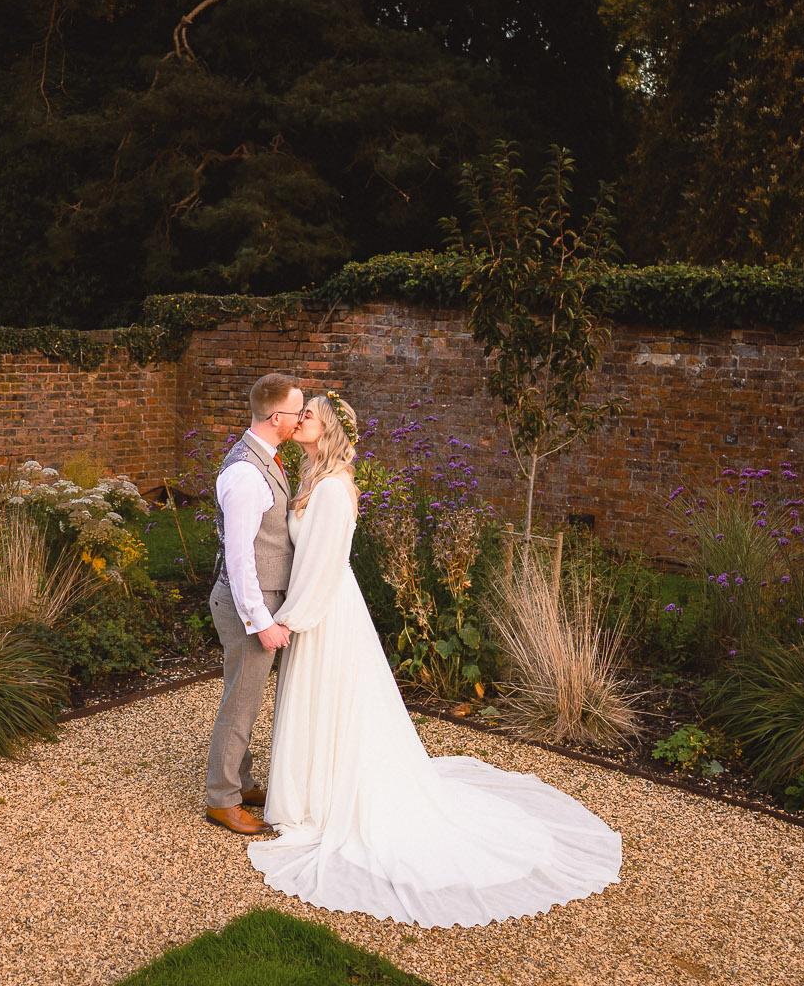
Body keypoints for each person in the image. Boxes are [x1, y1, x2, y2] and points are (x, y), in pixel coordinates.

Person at [246, 392, 622, 927]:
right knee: (322, 704)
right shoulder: (314, 479)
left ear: (328, 429)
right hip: (317, 609)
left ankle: (328, 797)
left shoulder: (331, 489)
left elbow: (325, 566)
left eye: (309, 415)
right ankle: (312, 789)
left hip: (324, 611)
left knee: (335, 703)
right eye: (299, 412)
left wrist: (292, 619)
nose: (299, 419)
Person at [204, 372, 306, 834]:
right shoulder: (246, 472)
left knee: (241, 697)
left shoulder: (264, 458)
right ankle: (221, 799)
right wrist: (259, 619)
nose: (301, 418)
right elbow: (240, 556)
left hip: (256, 598)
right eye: (297, 411)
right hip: (249, 602)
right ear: (275, 415)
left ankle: (241, 783)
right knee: (241, 705)